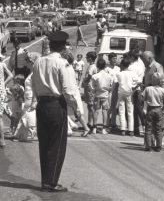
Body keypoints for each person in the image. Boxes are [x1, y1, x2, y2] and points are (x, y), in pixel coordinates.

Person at [31, 31, 81, 193]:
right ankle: (51, 182)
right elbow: (69, 90)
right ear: (63, 47)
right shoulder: (62, 63)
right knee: (57, 145)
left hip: (42, 104)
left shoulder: (38, 61)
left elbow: (34, 84)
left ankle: (45, 179)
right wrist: (76, 109)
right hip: (56, 104)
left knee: (44, 144)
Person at [141, 74, 164, 152]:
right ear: (159, 81)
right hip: (159, 109)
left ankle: (148, 145)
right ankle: (158, 146)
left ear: (152, 80)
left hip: (150, 109)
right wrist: (163, 107)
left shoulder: (148, 89)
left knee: (148, 128)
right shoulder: (162, 90)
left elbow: (143, 98)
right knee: (158, 128)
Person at [116, 56, 139, 136]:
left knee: (121, 111)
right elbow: (139, 81)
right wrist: (134, 88)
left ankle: (123, 129)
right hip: (129, 92)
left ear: (122, 65)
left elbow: (116, 82)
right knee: (130, 111)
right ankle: (131, 130)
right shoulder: (132, 73)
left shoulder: (119, 74)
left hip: (121, 92)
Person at [91, 58, 113, 134]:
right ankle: (104, 128)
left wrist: (94, 91)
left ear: (97, 66)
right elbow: (111, 86)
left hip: (97, 95)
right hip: (105, 95)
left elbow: (92, 87)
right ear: (105, 66)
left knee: (96, 111)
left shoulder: (95, 76)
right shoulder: (109, 76)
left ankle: (94, 128)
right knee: (105, 111)